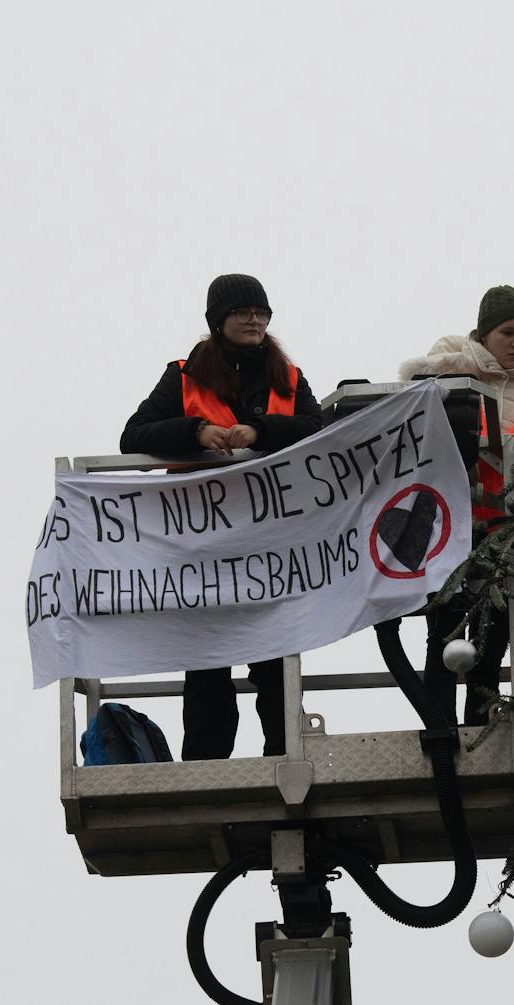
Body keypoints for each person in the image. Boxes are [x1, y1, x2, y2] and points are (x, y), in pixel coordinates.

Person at [121, 273, 326, 759]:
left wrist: (260, 431)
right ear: (219, 320)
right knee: (208, 666)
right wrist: (196, 432)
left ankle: (284, 758)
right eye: (242, 312)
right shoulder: (184, 375)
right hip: (203, 548)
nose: (254, 319)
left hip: (270, 545)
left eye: (261, 312)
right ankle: (205, 766)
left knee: (276, 663)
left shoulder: (289, 377)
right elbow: (135, 436)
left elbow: (319, 431)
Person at [399, 285, 514, 725]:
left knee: (494, 639)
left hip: (508, 538)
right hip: (447, 531)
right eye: (508, 333)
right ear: (484, 334)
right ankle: (439, 735)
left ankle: (478, 730)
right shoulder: (443, 379)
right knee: (444, 633)